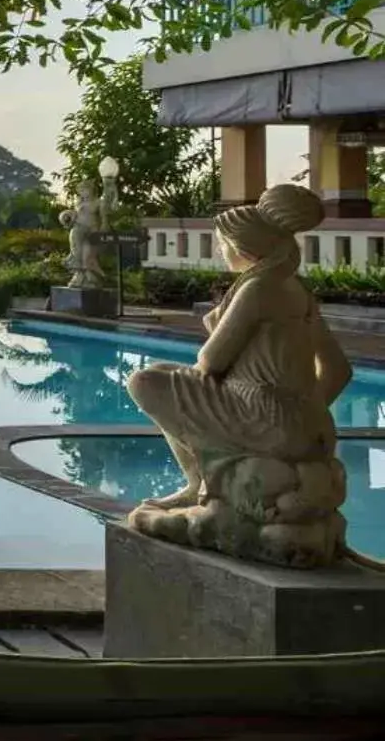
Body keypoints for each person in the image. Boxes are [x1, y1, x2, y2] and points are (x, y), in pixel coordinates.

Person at [124, 184, 351, 564]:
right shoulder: (295, 289)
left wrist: (275, 414)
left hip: (261, 414)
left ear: (244, 247)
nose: (220, 250)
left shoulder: (257, 289)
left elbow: (210, 363)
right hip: (308, 423)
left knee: (145, 382)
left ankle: (198, 482)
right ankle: (199, 481)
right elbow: (339, 370)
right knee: (167, 376)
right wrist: (306, 410)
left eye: (222, 243)